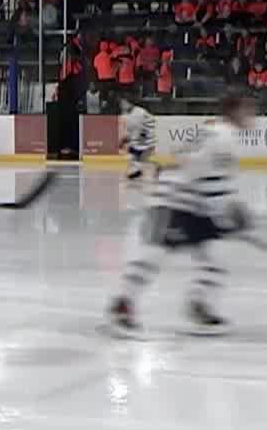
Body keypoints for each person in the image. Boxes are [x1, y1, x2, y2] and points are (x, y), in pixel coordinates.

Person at [107, 92, 257, 335]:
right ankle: (123, 305)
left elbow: (202, 170)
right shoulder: (225, 137)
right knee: (155, 256)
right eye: (249, 111)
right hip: (177, 200)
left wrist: (227, 213)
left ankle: (199, 305)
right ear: (236, 112)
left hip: (191, 201)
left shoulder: (216, 131)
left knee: (214, 259)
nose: (253, 117)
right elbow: (210, 180)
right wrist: (227, 216)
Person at [122, 99, 157, 182]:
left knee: (138, 158)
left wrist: (144, 133)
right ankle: (139, 171)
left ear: (130, 103)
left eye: (125, 103)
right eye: (122, 104)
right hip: (138, 140)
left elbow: (144, 125)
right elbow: (129, 130)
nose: (123, 106)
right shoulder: (127, 115)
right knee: (136, 158)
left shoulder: (139, 112)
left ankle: (139, 171)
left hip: (144, 140)